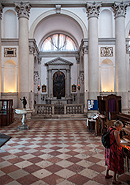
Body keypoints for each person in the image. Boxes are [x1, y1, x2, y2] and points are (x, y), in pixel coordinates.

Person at [105, 120, 130, 184]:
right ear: (118, 126)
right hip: (114, 149)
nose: (120, 129)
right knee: (116, 163)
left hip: (108, 148)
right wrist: (126, 146)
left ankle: (107, 174)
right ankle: (114, 180)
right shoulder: (116, 132)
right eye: (120, 127)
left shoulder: (110, 128)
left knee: (109, 161)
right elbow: (118, 143)